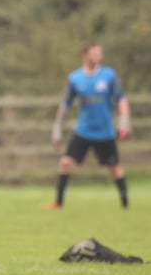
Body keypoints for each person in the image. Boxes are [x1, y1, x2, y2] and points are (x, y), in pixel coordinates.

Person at [46, 43, 131, 209]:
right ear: (85, 55)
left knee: (115, 168)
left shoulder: (109, 76)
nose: (99, 57)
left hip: (105, 131)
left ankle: (125, 205)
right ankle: (58, 203)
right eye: (95, 54)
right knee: (65, 162)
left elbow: (121, 99)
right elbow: (65, 104)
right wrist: (57, 129)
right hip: (83, 130)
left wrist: (124, 122)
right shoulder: (75, 78)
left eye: (100, 54)